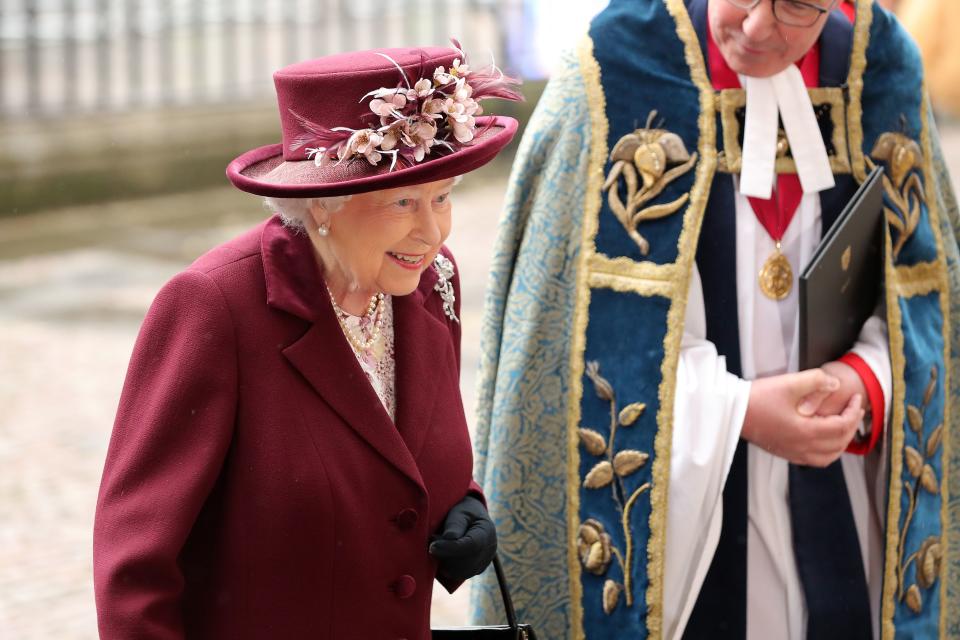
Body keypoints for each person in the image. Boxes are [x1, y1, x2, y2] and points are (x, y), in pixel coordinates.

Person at [471, 1, 959, 639]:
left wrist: (867, 379)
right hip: (679, 538)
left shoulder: (881, 67)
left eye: (797, 6)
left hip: (848, 497)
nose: (759, 28)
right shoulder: (611, 71)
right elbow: (564, 341)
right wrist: (739, 412)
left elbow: (926, 292)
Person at [93, 44, 521, 639]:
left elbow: (405, 453)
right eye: (402, 201)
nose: (431, 231)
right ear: (322, 203)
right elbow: (134, 565)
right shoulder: (215, 307)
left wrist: (461, 503)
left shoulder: (430, 280)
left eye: (442, 197)